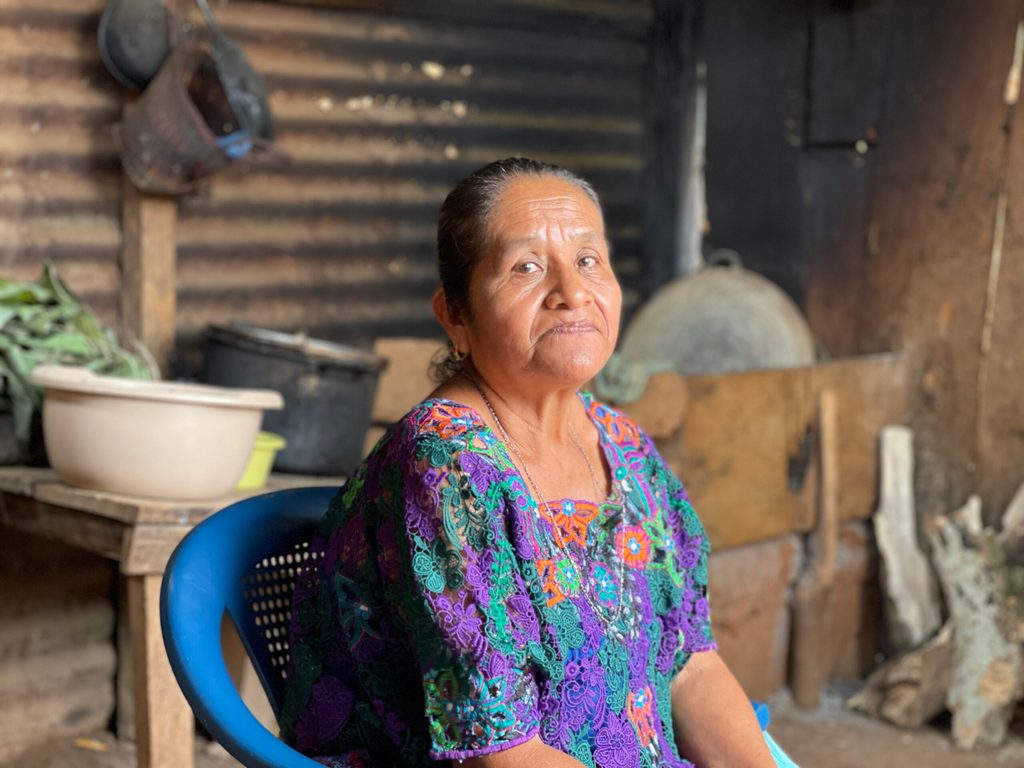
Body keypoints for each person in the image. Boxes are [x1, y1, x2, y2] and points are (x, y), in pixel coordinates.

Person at [280, 157, 780, 767]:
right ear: (455, 317)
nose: (572, 293)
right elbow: (500, 755)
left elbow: (690, 665)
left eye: (589, 260)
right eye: (527, 267)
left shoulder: (622, 444)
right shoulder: (448, 467)